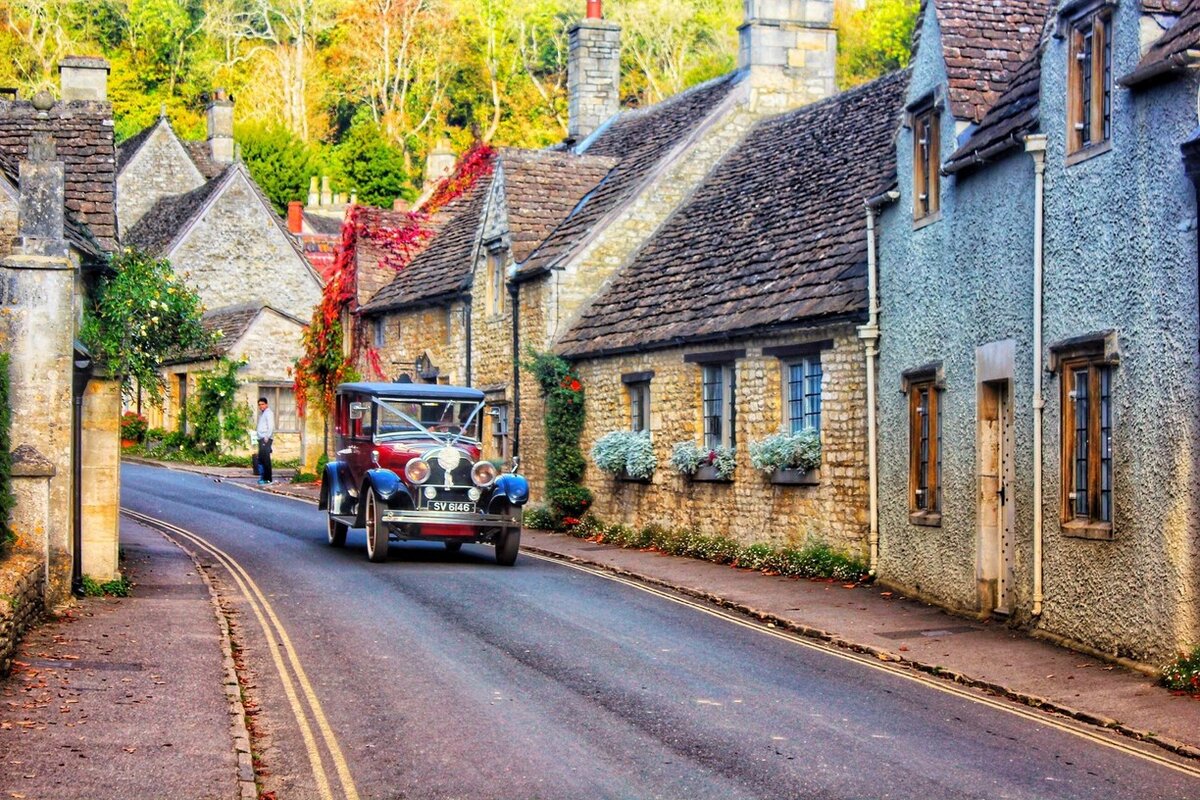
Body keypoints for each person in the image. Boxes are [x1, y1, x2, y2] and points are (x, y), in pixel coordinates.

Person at [256, 397, 274, 485]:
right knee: (261, 459)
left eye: (262, 404)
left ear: (266, 404)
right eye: (259, 405)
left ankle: (268, 478)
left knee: (266, 459)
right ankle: (263, 477)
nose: (261, 406)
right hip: (261, 438)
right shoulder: (263, 414)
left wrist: (267, 436)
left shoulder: (268, 413)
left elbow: (270, 426)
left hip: (265, 439)